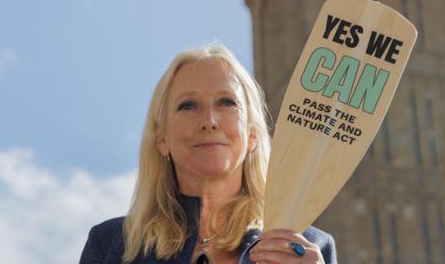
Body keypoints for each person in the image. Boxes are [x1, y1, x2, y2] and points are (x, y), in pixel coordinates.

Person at [80, 43, 337, 264]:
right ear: (161, 140)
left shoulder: (309, 245)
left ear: (252, 134)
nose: (209, 121)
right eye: (188, 106)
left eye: (227, 102)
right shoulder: (112, 245)